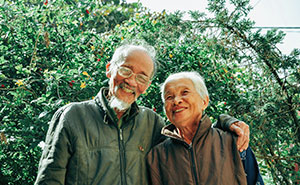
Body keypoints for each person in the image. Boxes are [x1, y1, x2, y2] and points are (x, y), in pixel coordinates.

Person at [35, 41, 250, 185]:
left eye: (142, 77)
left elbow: (192, 134)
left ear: (146, 85)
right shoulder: (73, 116)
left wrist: (226, 122)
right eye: (126, 70)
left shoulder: (152, 123)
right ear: (109, 68)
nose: (131, 81)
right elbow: (49, 179)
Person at [146, 71, 264, 185]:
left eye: (185, 92)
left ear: (204, 101)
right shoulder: (157, 156)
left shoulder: (234, 142)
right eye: (169, 97)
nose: (176, 101)